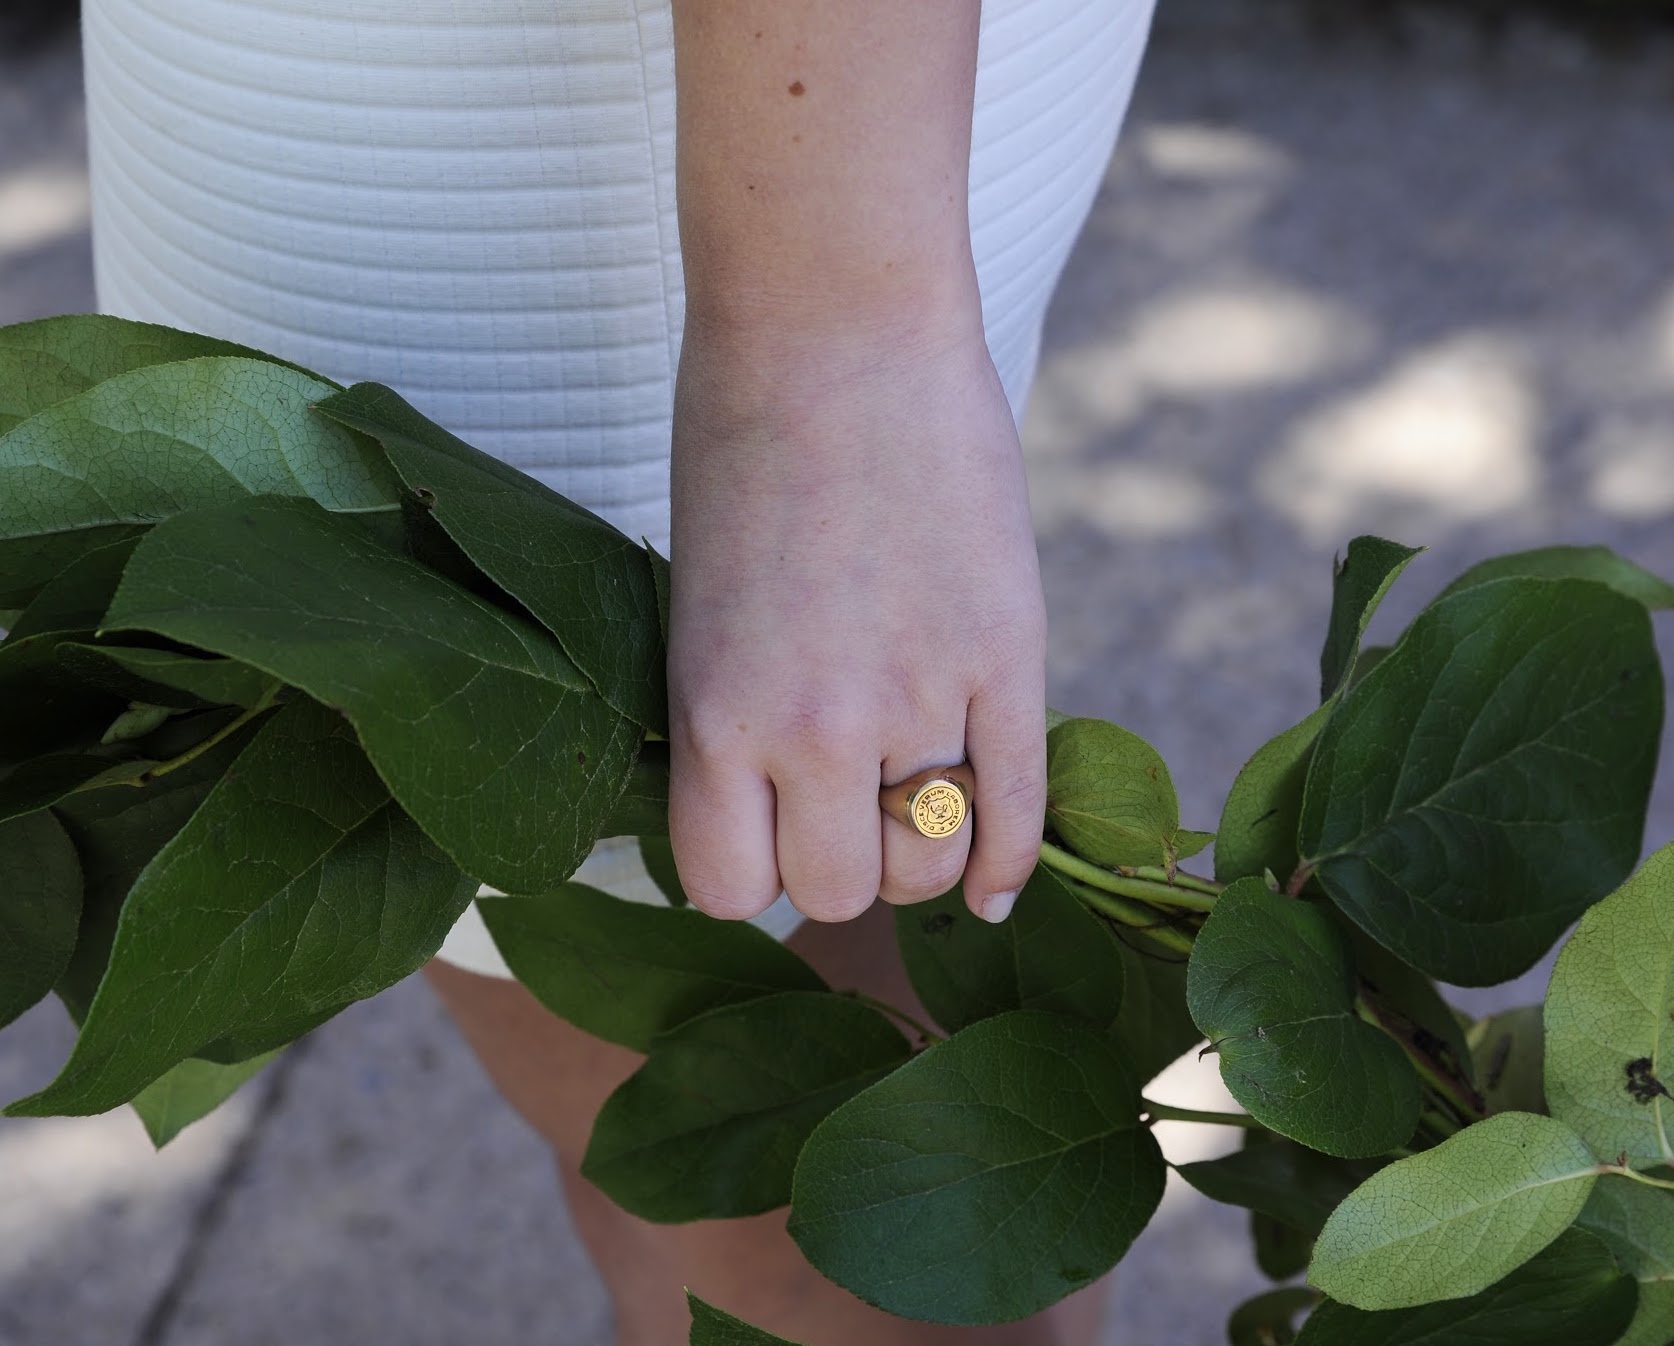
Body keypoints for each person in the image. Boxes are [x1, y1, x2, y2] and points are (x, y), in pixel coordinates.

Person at [82, 0, 1156, 1339]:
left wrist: (826, 363)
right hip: (565, 124)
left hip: (714, 140)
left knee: (834, 1244)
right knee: (779, 1202)